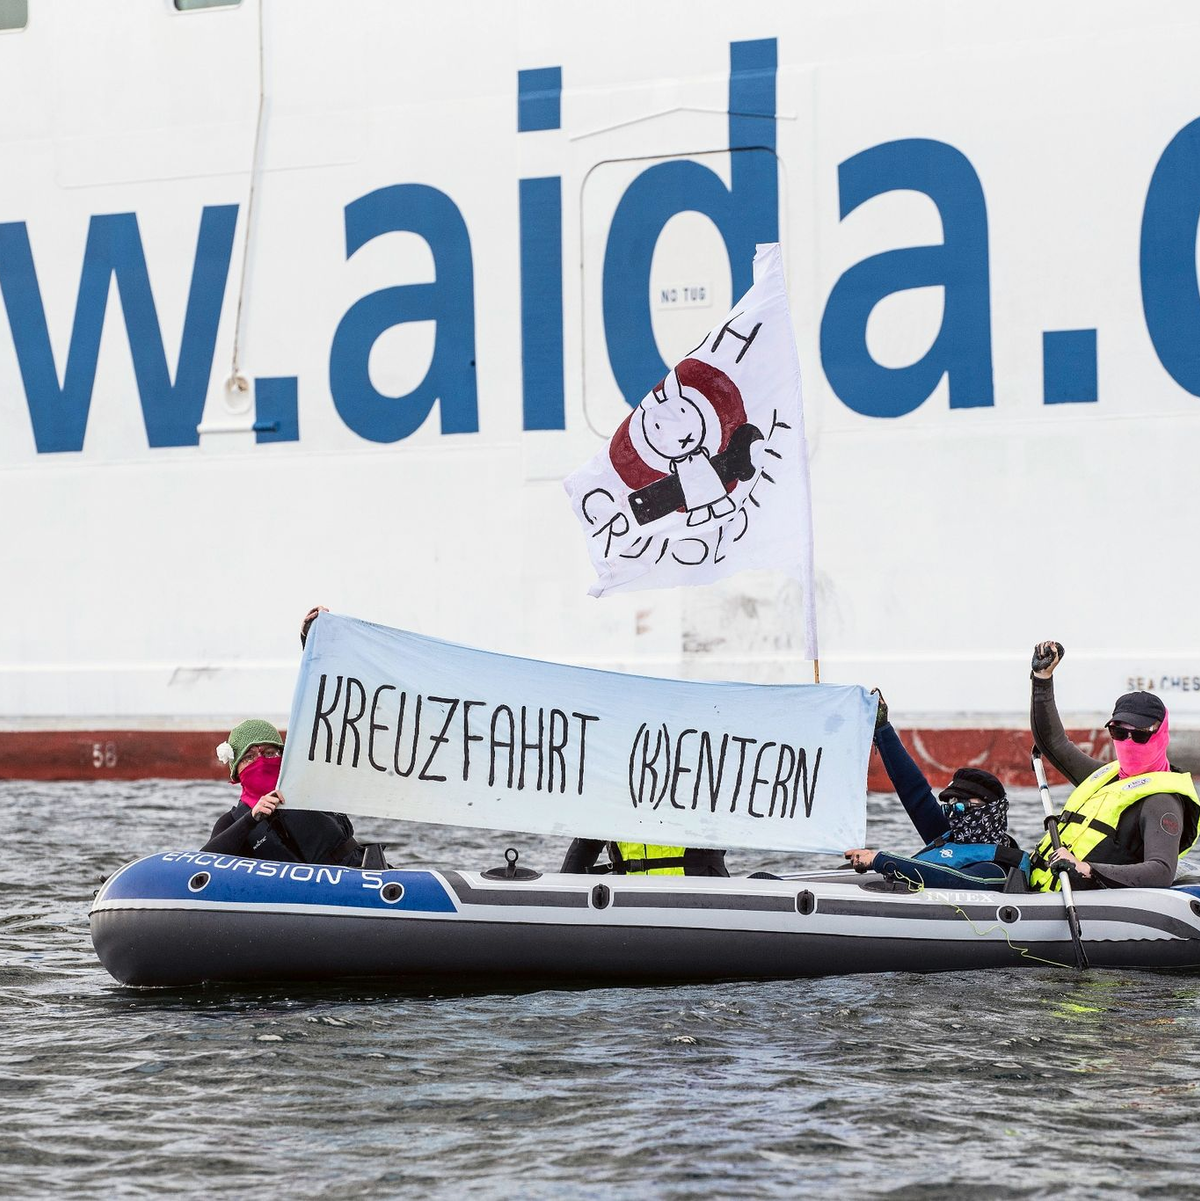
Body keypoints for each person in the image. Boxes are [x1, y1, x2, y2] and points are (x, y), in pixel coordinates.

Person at [1027, 640, 1200, 889]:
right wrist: (1042, 679)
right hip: (1037, 888)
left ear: (1161, 735)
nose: (1128, 741)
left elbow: (1161, 871)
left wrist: (1086, 868)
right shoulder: (1103, 777)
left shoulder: (1162, 802)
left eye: (1139, 734)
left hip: (1082, 900)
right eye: (1119, 732)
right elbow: (1052, 742)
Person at [843, 691, 1027, 889]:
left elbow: (955, 880)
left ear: (990, 811)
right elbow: (914, 792)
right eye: (949, 808)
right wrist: (882, 729)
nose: (954, 815)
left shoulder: (999, 867)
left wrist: (880, 860)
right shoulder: (950, 837)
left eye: (961, 807)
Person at [201, 718, 385, 867]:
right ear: (236, 771)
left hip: (354, 875)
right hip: (295, 893)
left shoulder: (311, 792)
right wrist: (250, 819)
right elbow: (204, 865)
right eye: (249, 757)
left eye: (269, 753)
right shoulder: (232, 822)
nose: (261, 762)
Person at [559, 839, 728, 877]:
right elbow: (587, 845)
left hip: (699, 895)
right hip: (629, 897)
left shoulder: (702, 783)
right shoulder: (612, 792)